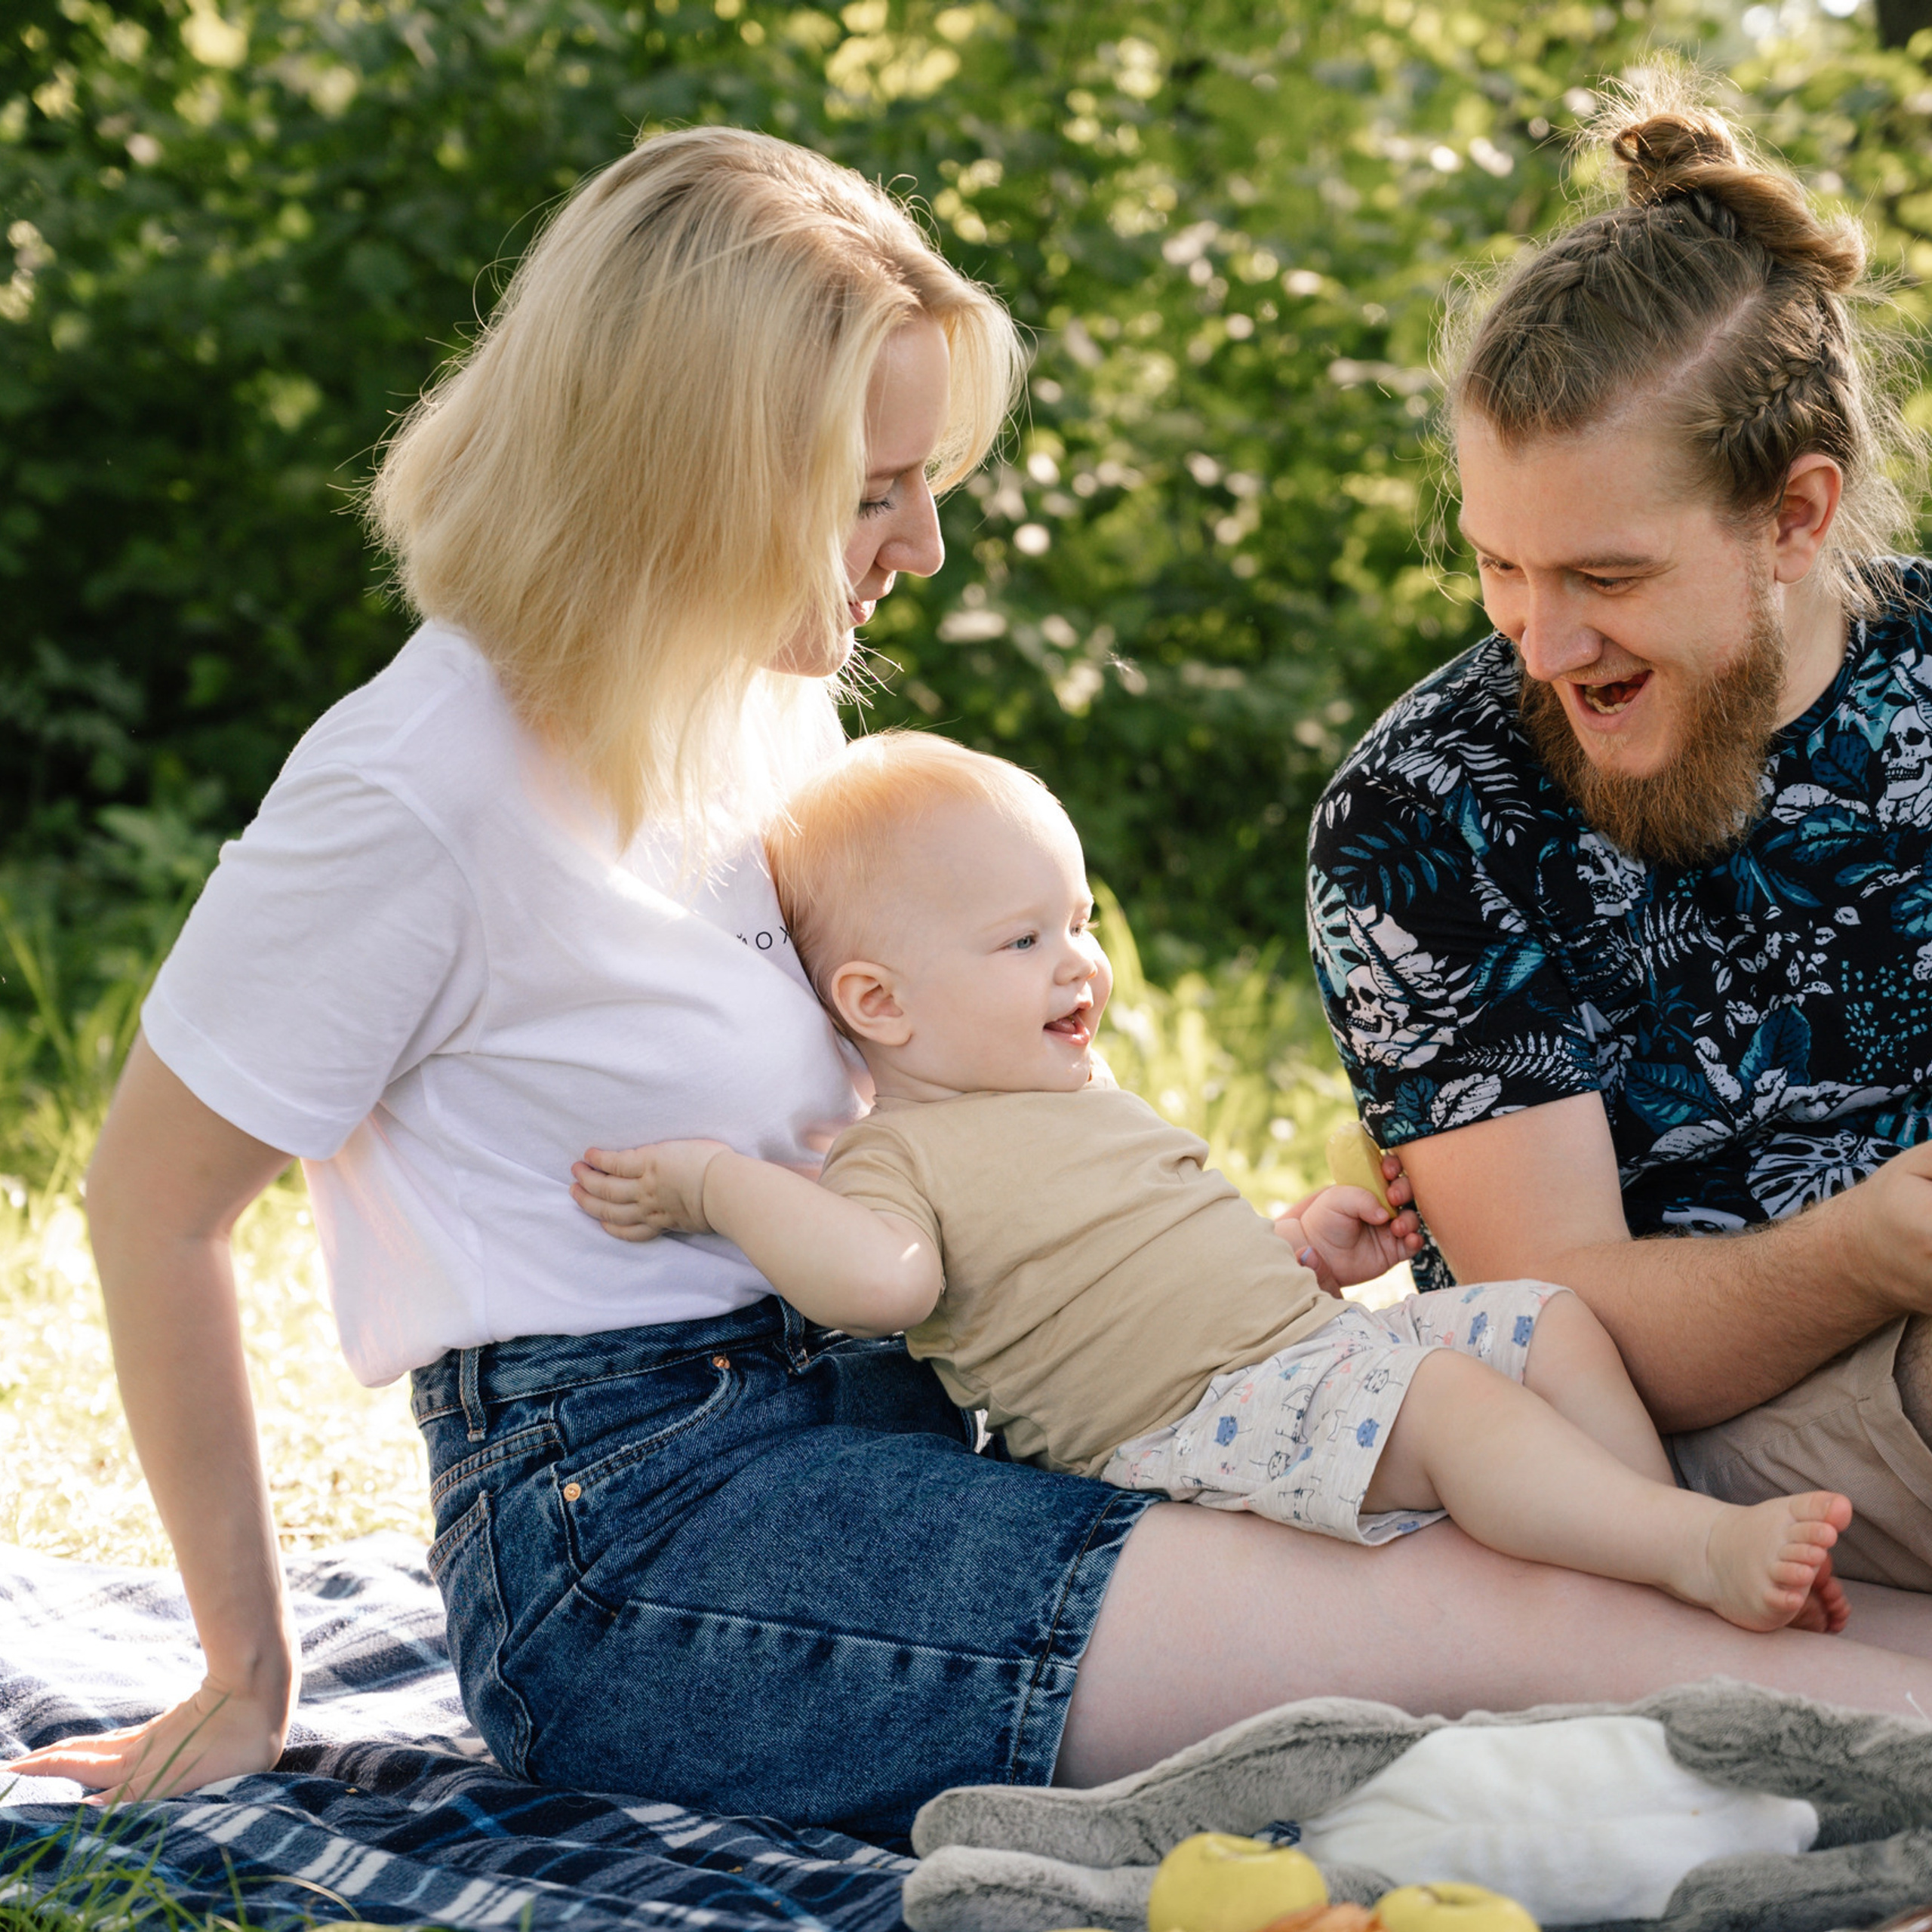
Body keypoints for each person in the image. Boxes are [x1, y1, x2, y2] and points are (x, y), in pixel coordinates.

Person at [14, 125, 1932, 1838]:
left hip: (930, 1404)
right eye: (871, 491)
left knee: (1471, 1508)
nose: (919, 548)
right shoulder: (409, 787)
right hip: (645, 1523)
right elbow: (149, 1205)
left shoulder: (744, 721)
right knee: (1488, 1613)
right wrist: (246, 1670)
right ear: (690, 471)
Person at [571, 731, 1854, 1635]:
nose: (1080, 963)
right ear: (878, 1004)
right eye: (1023, 940)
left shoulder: (1071, 1097)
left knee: (1543, 1316)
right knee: (1458, 1406)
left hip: (1284, 1357)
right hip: (1181, 1429)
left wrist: (1293, 1239)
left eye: (1076, 920)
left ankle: (1641, 1540)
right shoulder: (897, 1157)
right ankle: (1685, 1559)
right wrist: (714, 1186)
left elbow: (1157, 1265)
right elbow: (879, 1285)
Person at [1306, 75, 1932, 1597]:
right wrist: (1870, 1246)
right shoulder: (1419, 810)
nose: (1537, 637)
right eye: (1496, 565)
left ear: (1792, 515)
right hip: (1656, 1446)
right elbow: (1548, 1313)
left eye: (1602, 573)